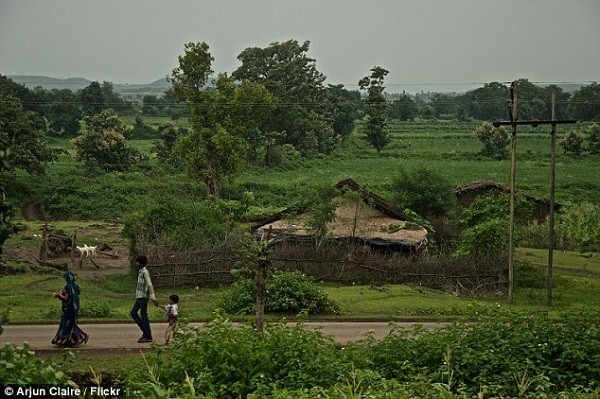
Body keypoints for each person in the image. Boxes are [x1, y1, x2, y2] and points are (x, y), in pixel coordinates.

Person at [51, 270, 89, 347]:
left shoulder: (68, 287)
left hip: (68, 310)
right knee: (71, 324)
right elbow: (79, 291)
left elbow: (65, 298)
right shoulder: (75, 285)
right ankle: (83, 336)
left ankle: (66, 340)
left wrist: (59, 295)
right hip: (73, 309)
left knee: (65, 324)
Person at [131, 255, 158, 343]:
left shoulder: (145, 272)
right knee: (134, 312)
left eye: (138, 262)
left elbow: (149, 285)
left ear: (142, 264)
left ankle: (147, 335)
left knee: (143, 315)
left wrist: (153, 297)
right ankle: (146, 332)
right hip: (139, 296)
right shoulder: (140, 272)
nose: (136, 264)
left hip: (143, 297)